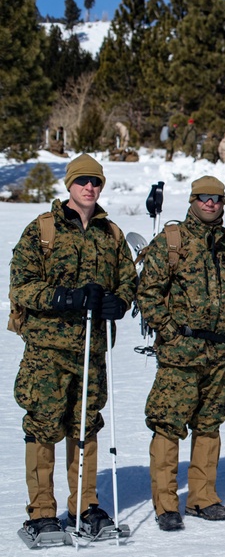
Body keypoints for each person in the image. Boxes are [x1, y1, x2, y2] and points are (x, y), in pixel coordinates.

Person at [11, 154, 136, 540]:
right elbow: (22, 287)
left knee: (86, 426)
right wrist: (66, 298)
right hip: (47, 352)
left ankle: (85, 506)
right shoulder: (42, 230)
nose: (89, 187)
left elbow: (128, 280)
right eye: (82, 181)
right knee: (44, 426)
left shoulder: (111, 234)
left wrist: (120, 301)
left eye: (96, 182)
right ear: (69, 184)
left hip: (91, 351)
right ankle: (42, 512)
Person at [137, 177, 225, 531]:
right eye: (204, 198)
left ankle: (202, 497)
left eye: (217, 198)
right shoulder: (171, 241)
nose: (210, 204)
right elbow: (148, 292)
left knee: (209, 425)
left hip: (219, 353)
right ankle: (166, 503)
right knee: (168, 426)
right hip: (180, 355)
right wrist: (169, 331)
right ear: (192, 200)